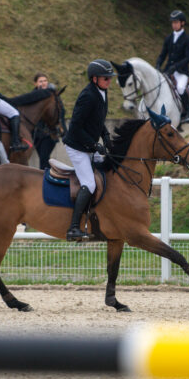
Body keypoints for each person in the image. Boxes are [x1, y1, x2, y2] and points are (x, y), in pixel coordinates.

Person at [62, 59, 115, 242]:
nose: (109, 81)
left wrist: (106, 137)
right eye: (105, 78)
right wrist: (94, 145)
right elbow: (75, 127)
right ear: (94, 79)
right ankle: (73, 227)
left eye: (110, 78)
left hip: (88, 145)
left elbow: (98, 121)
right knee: (90, 184)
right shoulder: (88, 96)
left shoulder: (102, 92)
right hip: (77, 147)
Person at [155, 10, 189, 125]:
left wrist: (176, 67)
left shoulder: (187, 39)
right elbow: (163, 54)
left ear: (182, 23)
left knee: (181, 88)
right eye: (172, 23)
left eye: (176, 22)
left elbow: (188, 58)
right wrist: (158, 65)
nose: (174, 25)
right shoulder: (169, 38)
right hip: (168, 70)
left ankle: (186, 113)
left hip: (181, 71)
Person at [31, 72, 58, 170]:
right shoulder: (32, 96)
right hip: (36, 134)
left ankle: (44, 179)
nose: (43, 83)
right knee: (44, 159)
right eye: (40, 81)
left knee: (44, 158)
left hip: (48, 133)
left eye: (45, 81)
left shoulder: (52, 96)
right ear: (36, 84)